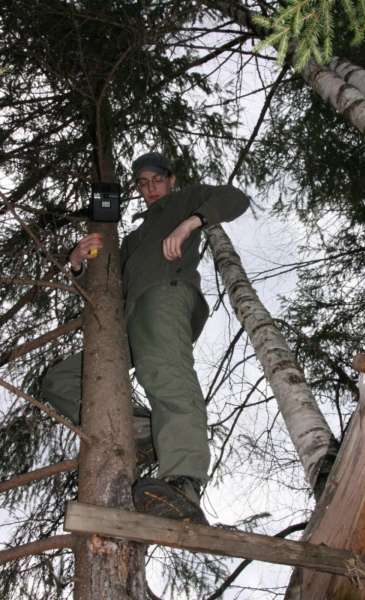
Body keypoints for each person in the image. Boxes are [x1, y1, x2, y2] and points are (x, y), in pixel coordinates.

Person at [43, 152, 249, 525]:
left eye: (157, 179)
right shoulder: (134, 238)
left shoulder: (184, 199)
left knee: (166, 376)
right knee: (58, 380)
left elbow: (235, 198)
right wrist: (75, 261)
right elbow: (104, 285)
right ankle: (145, 431)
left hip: (165, 296)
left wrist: (189, 224)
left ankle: (183, 482)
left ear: (171, 180)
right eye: (142, 183)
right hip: (126, 318)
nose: (150, 187)